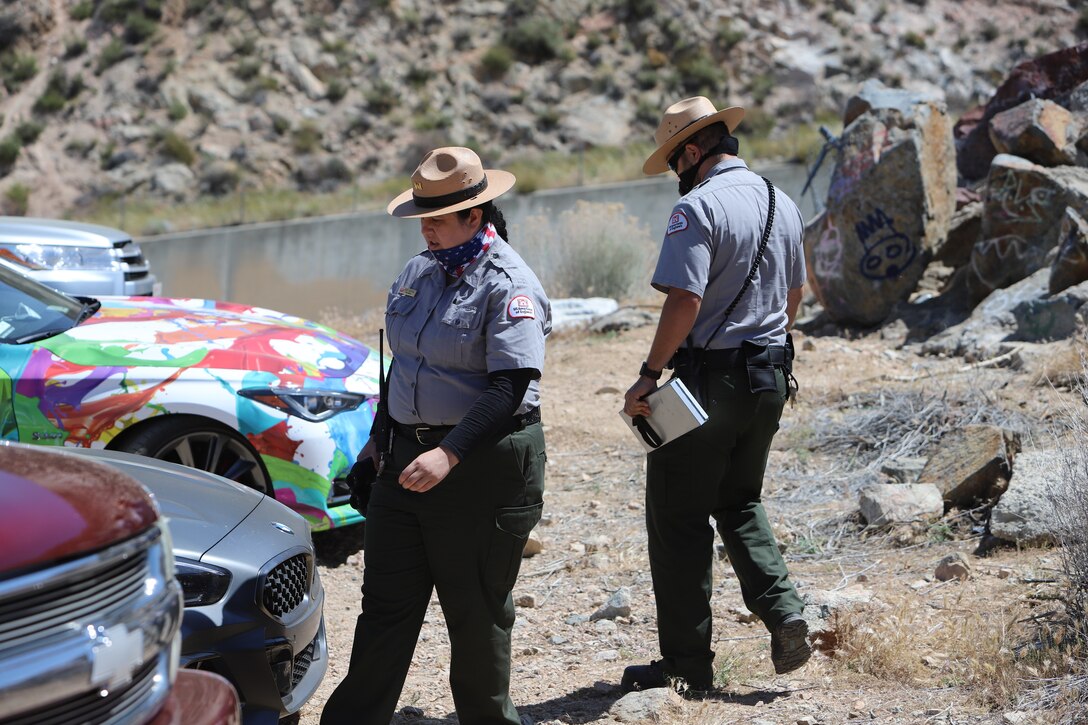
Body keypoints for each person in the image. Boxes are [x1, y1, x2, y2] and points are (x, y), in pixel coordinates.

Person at [321, 147, 551, 725]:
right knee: (385, 609)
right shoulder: (420, 270)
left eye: (439, 218)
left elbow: (511, 387)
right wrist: (379, 442)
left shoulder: (510, 284)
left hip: (481, 469)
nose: (426, 228)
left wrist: (448, 454)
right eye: (422, 216)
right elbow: (405, 365)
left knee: (476, 616)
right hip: (405, 460)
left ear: (475, 216)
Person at [620, 96, 811, 692]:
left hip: (711, 381)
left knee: (677, 518)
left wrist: (649, 375)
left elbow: (685, 299)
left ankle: (686, 669)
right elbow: (796, 295)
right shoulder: (783, 202)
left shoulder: (697, 208)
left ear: (694, 152)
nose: (676, 178)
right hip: (771, 376)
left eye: (676, 163)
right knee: (740, 500)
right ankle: (784, 613)